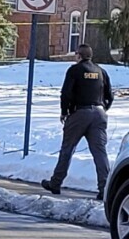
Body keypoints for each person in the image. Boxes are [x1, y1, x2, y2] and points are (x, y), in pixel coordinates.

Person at [42, 44, 114, 200]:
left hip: (79, 113)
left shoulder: (74, 70)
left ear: (79, 56)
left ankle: (56, 183)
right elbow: (110, 95)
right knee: (100, 152)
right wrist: (102, 109)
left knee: (68, 148)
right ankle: (105, 189)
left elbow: (66, 93)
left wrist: (64, 112)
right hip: (99, 114)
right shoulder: (101, 71)